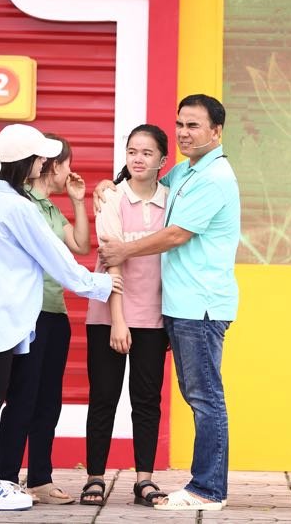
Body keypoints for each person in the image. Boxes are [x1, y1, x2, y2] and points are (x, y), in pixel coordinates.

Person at [0, 124, 121, 512]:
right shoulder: (19, 208)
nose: (45, 163)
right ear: (28, 162)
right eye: (40, 158)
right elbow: (57, 260)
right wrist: (103, 284)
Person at [96, 94, 240, 511]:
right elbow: (142, 180)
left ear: (216, 131)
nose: (183, 133)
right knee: (199, 395)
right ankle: (205, 486)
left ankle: (207, 490)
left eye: (194, 125)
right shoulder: (187, 170)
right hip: (180, 307)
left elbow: (177, 234)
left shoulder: (215, 177)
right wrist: (108, 184)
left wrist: (124, 249)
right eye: (180, 124)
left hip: (201, 306)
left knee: (205, 398)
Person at [0, 133, 89, 505]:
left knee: (47, 401)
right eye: (63, 163)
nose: (67, 170)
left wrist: (78, 202)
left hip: (53, 311)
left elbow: (80, 246)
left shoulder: (46, 208)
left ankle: (36, 478)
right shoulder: (13, 200)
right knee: (16, 397)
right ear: (46, 164)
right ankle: (1, 475)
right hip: (23, 313)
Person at [79, 124, 170, 507]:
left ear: (162, 160)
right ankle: (95, 477)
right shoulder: (111, 197)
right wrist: (118, 319)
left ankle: (144, 480)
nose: (138, 159)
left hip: (153, 316)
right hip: (108, 316)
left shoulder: (172, 201)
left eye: (147, 153)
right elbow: (112, 258)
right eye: (132, 151)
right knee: (104, 397)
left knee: (147, 400)